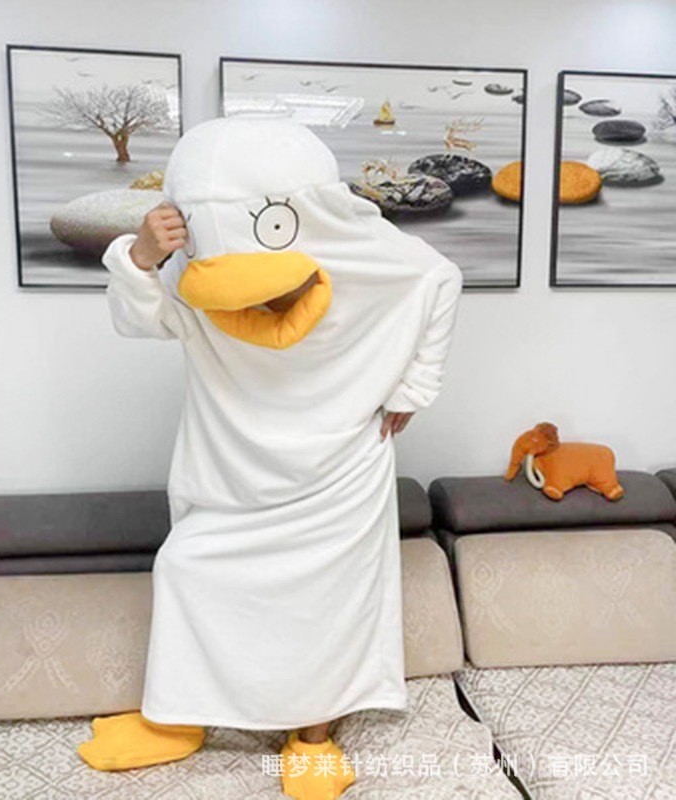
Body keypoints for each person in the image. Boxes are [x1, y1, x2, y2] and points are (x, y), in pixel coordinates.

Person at [77, 117, 463, 800]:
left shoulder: (367, 261)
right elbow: (141, 320)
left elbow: (441, 278)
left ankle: (312, 739)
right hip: (231, 469)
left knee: (327, 607)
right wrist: (138, 257)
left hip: (341, 472)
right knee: (187, 571)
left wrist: (414, 387)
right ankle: (177, 718)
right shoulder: (196, 276)